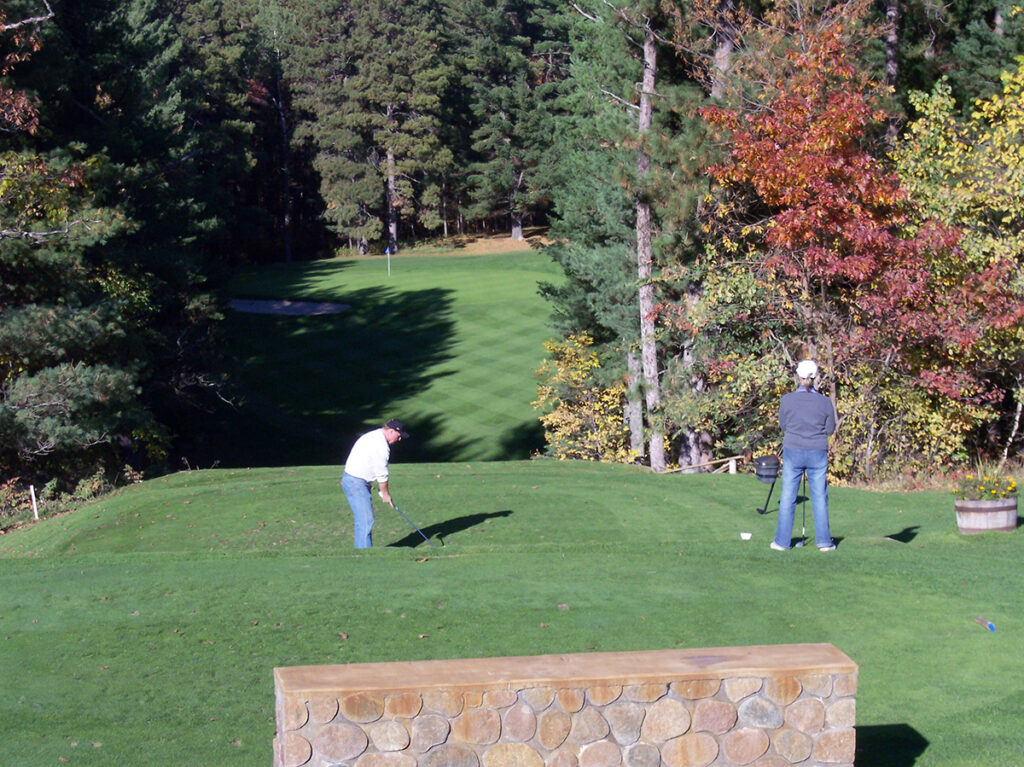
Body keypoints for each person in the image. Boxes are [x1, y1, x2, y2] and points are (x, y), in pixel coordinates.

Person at [771, 360, 837, 552]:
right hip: (817, 451)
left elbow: (783, 425)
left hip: (793, 450)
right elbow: (830, 429)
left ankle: (782, 542)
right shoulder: (825, 402)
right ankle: (824, 542)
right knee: (819, 497)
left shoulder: (787, 400)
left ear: (798, 377)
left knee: (788, 496)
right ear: (815, 378)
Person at [341, 419, 409, 548]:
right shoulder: (381, 446)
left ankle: (364, 552)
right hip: (356, 482)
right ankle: (364, 556)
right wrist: (385, 494)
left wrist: (372, 485)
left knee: (364, 519)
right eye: (399, 436)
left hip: (355, 480)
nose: (399, 439)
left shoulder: (374, 435)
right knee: (365, 520)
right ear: (391, 431)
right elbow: (382, 475)